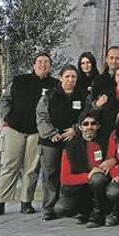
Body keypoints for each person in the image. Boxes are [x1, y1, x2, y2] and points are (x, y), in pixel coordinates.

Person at [0, 52, 59, 217]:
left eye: (46, 62)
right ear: (34, 65)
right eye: (40, 62)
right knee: (9, 166)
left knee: (31, 169)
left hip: (36, 132)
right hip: (14, 129)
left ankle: (26, 202)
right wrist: (7, 117)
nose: (43, 65)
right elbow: (4, 100)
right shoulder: (20, 80)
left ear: (50, 66)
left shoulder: (55, 85)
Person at [36, 64, 89, 220]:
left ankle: (73, 206)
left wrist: (75, 129)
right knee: (51, 173)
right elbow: (41, 117)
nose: (70, 80)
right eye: (67, 76)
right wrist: (51, 133)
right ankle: (49, 208)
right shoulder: (49, 96)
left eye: (73, 77)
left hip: (72, 140)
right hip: (51, 141)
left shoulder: (83, 95)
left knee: (75, 172)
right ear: (60, 78)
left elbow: (86, 116)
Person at [55, 110, 114, 227]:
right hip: (80, 190)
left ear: (98, 126)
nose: (89, 127)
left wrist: (112, 161)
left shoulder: (105, 142)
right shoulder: (71, 146)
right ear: (80, 127)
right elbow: (65, 178)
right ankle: (85, 211)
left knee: (97, 179)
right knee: (61, 209)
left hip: (101, 185)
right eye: (85, 124)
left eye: (93, 123)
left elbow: (114, 159)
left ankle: (98, 215)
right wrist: (88, 176)